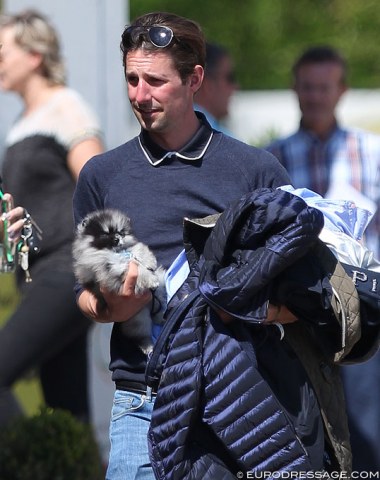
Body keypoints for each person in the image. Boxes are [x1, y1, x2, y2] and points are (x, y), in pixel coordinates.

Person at [73, 13, 359, 479]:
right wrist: (112, 306)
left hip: (242, 400)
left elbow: (309, 299)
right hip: (141, 401)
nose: (140, 95)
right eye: (132, 79)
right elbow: (82, 295)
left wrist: (246, 308)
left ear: (195, 79)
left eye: (155, 81)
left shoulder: (255, 170)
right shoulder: (101, 176)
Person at [265, 45, 380, 472]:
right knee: (305, 420)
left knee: (367, 421)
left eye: (323, 88)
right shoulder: (273, 158)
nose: (315, 96)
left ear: (341, 90)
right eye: (307, 87)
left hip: (363, 306)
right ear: (295, 89)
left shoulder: (372, 152)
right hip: (304, 308)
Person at [0, 9, 103, 428]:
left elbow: (98, 186)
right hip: (39, 273)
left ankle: (21, 464)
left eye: (2, 50)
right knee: (66, 408)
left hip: (66, 271)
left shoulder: (65, 106)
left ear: (35, 54)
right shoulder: (23, 123)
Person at [194, 41, 238, 135]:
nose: (235, 87)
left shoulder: (166, 133)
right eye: (230, 78)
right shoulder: (223, 141)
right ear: (207, 85)